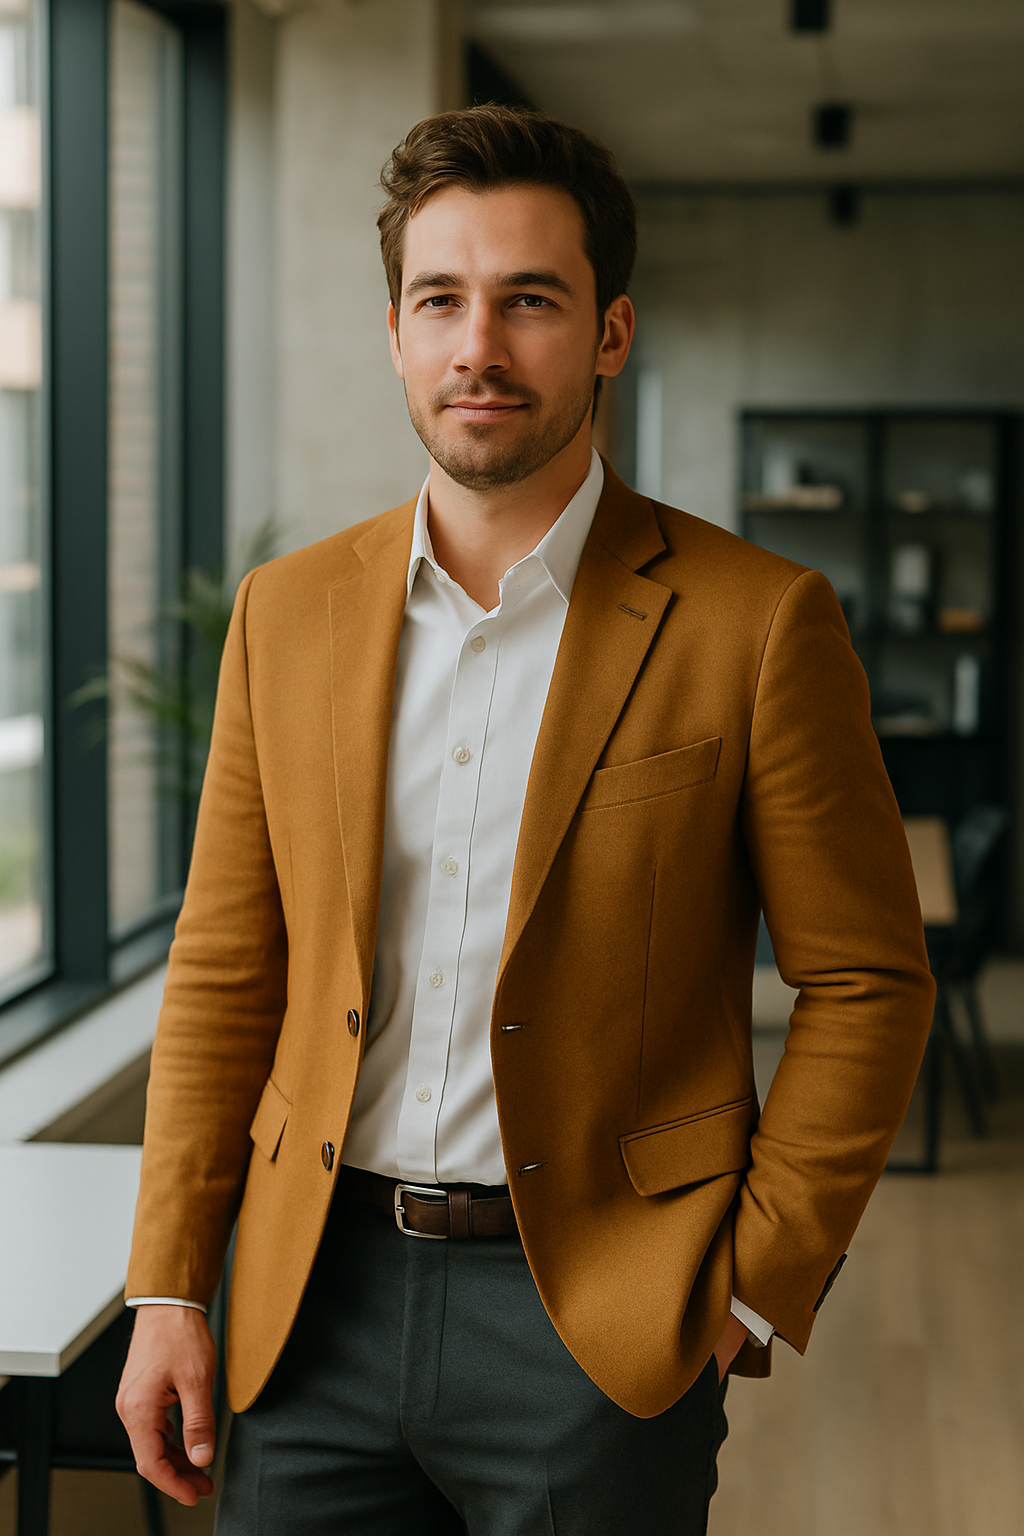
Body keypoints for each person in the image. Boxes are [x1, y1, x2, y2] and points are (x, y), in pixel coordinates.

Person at [116, 105, 934, 1534]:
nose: (477, 346)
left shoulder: (757, 624)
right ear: (394, 332)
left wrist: (747, 1285)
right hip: (310, 1303)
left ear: (610, 334)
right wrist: (172, 1284)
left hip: (603, 1321)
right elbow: (228, 968)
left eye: (530, 302)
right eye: (440, 300)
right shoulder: (286, 616)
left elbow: (866, 979)